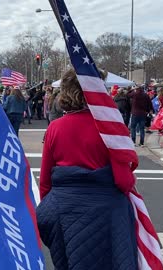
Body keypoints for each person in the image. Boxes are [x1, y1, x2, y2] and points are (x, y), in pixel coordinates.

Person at [36, 69, 138, 269]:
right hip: (105, 212)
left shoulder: (55, 128)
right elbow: (123, 182)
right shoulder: (111, 127)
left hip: (64, 209)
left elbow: (45, 181)